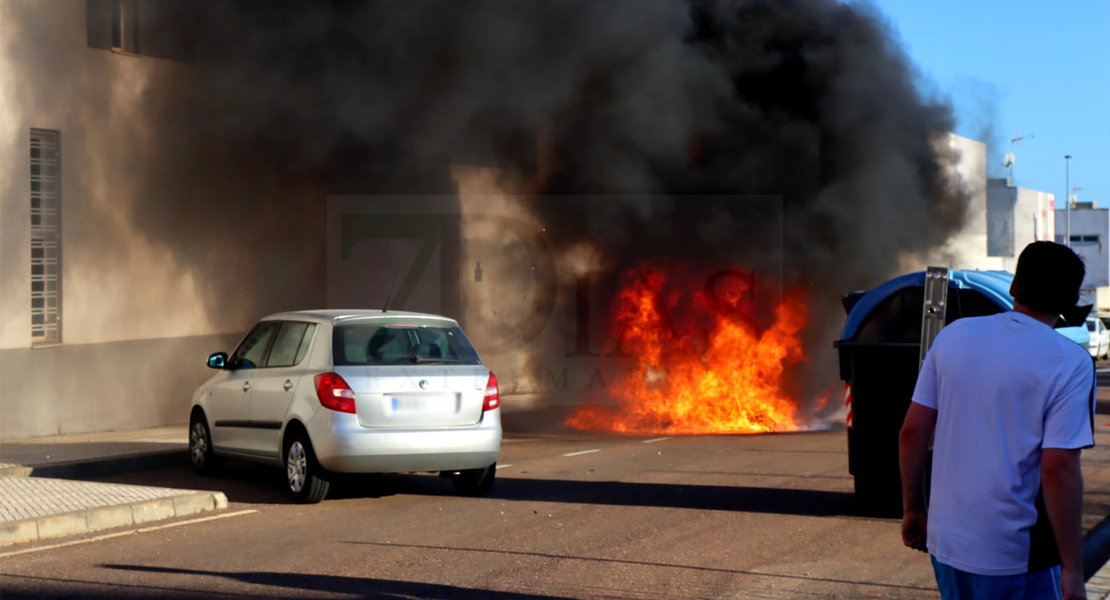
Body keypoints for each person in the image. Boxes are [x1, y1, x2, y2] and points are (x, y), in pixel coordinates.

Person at [900, 241, 1095, 600]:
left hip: (947, 542)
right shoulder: (1070, 362)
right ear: (1071, 303)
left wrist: (914, 508)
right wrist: (1073, 567)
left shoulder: (953, 336)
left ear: (1014, 287)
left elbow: (912, 432)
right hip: (1015, 556)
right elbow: (1059, 469)